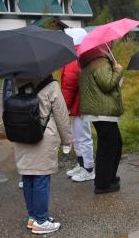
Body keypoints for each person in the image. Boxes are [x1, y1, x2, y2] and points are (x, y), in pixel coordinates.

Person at [12, 75, 72, 234]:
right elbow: (61, 114)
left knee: (28, 176)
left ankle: (33, 217)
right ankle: (41, 220)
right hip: (44, 137)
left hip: (22, 135)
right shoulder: (51, 85)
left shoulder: (17, 82)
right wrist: (67, 140)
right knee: (41, 177)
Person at [79, 48, 123, 194]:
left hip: (99, 111)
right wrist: (117, 71)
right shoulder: (100, 62)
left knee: (114, 143)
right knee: (108, 147)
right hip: (102, 112)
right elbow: (107, 84)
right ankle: (102, 184)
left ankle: (109, 177)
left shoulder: (89, 63)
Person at [61, 28, 94, 182]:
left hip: (80, 103)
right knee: (78, 136)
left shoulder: (74, 56)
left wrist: (64, 105)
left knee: (82, 137)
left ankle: (88, 168)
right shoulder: (80, 54)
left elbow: (69, 81)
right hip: (79, 103)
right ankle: (82, 165)